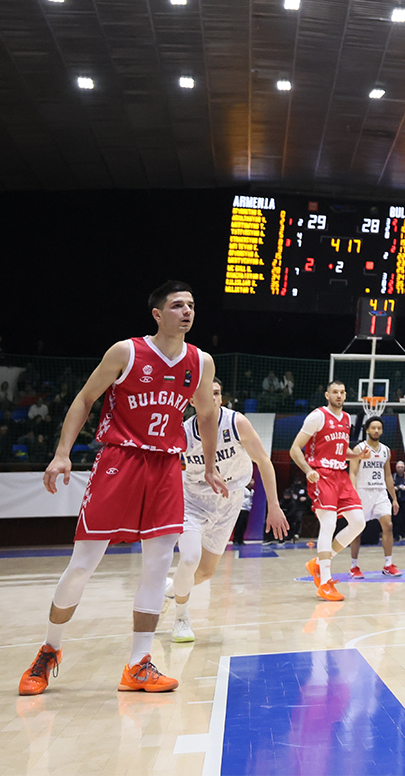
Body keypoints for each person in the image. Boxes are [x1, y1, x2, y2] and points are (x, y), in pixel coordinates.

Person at [18, 281, 224, 696]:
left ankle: (138, 663)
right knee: (83, 564)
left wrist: (209, 464)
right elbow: (84, 399)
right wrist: (62, 453)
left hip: (166, 466)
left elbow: (206, 414)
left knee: (157, 566)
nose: (187, 311)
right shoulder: (126, 352)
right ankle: (49, 649)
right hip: (120, 460)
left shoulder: (201, 361)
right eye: (177, 305)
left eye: (191, 305)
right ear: (157, 314)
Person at [166, 379, 289, 642]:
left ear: (221, 397)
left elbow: (264, 461)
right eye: (206, 393)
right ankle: (181, 618)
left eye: (217, 393)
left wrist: (274, 505)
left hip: (229, 502)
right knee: (189, 559)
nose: (212, 397)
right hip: (193, 500)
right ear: (191, 400)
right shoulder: (183, 431)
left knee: (205, 572)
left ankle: (171, 588)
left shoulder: (236, 423)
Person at [288, 381, 364, 602]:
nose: (339, 395)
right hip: (321, 474)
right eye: (335, 392)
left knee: (359, 522)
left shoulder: (347, 418)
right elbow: (294, 449)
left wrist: (357, 456)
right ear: (327, 395)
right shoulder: (317, 416)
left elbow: (341, 451)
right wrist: (308, 470)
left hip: (341, 475)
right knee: (329, 524)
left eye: (342, 392)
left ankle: (319, 563)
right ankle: (324, 582)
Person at [345, 419, 401, 578]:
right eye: (373, 428)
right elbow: (352, 473)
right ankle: (354, 566)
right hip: (362, 492)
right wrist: (353, 494)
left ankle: (388, 565)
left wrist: (394, 498)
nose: (376, 431)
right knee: (357, 530)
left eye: (379, 428)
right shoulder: (359, 448)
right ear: (367, 430)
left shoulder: (386, 450)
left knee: (388, 525)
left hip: (380, 493)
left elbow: (388, 475)